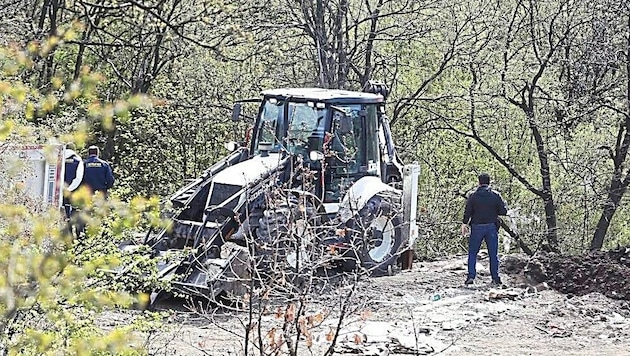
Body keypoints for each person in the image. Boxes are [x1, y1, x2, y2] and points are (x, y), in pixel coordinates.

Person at [461, 173, 508, 285]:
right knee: (493, 254)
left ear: (479, 182)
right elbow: (503, 211)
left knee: (472, 253)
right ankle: (495, 278)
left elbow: (468, 212)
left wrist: (464, 223)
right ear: (489, 182)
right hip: (491, 226)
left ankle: (471, 276)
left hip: (477, 226)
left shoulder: (473, 196)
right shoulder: (495, 195)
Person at [63, 147, 84, 226]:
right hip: (72, 189)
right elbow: (78, 178)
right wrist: (69, 189)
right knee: (71, 209)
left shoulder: (58, 158)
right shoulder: (78, 161)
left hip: (59, 189)